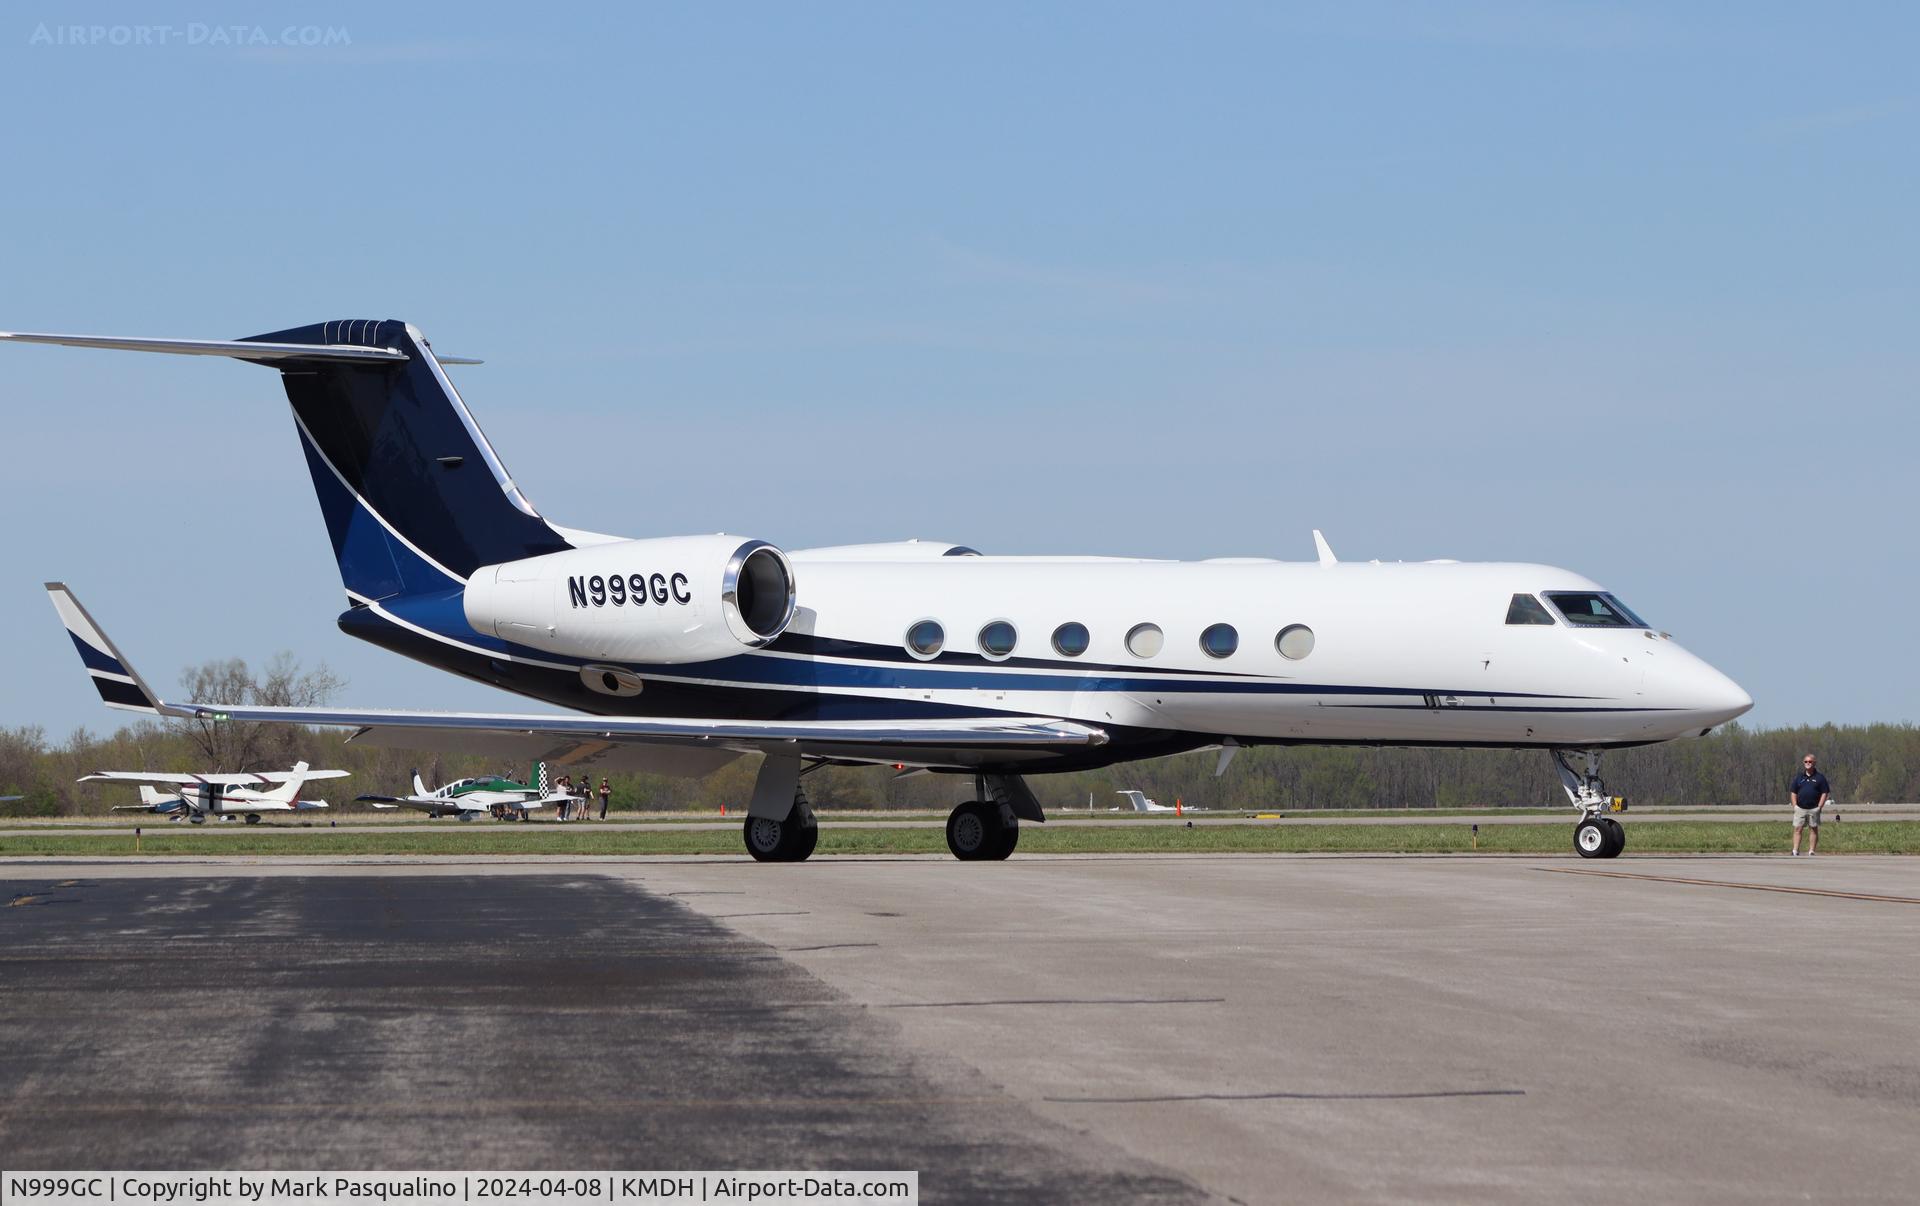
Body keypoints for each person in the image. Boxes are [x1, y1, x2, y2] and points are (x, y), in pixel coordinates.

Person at [1789, 753, 1831, 856]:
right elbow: (1793, 792)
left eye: (1810, 761)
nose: (1808, 763)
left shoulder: (1820, 778)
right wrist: (1795, 806)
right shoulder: (1799, 777)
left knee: (1813, 829)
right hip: (1800, 808)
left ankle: (1811, 851)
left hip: (1814, 808)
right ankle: (1795, 850)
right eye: (1806, 761)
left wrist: (1819, 807)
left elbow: (1825, 792)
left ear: (1814, 763)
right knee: (1798, 829)